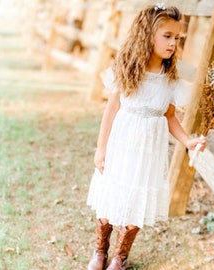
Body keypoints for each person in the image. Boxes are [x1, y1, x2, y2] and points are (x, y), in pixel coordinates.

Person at [86, 4, 207, 270]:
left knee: (137, 199)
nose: (173, 42)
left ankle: (120, 256)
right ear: (147, 35)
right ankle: (100, 250)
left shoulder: (171, 80)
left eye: (177, 37)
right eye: (167, 35)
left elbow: (170, 116)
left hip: (149, 148)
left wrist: (188, 141)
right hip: (122, 141)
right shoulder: (127, 70)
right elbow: (111, 110)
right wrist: (101, 148)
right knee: (111, 195)